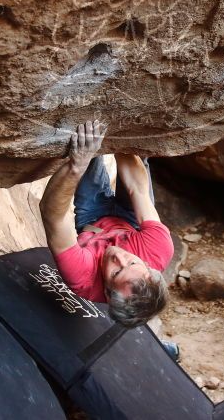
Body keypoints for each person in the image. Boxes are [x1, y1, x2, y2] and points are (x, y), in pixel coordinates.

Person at [40, 120, 173, 332]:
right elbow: (137, 189)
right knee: (135, 148)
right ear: (148, 268)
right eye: (131, 264)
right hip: (130, 220)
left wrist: (77, 166)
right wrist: (119, 136)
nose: (118, 257)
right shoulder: (158, 250)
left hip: (91, 221)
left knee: (83, 149)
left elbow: (52, 216)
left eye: (116, 272)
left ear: (108, 292)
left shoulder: (83, 280)